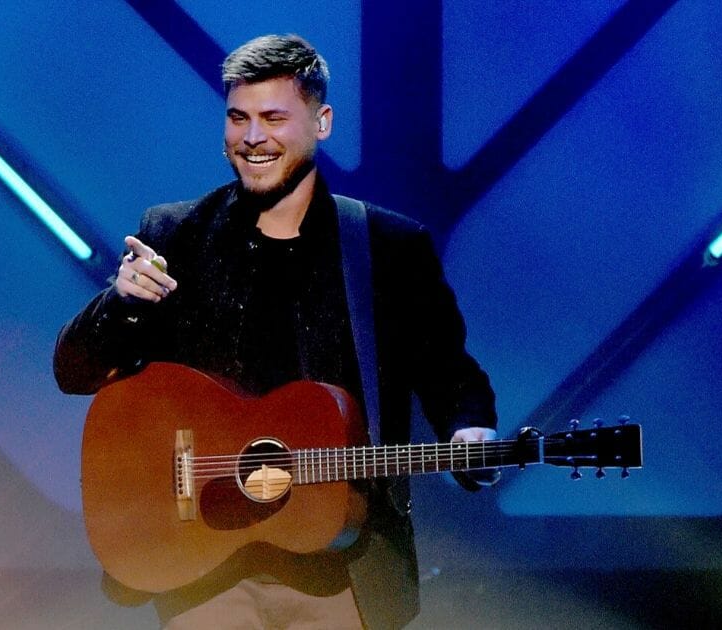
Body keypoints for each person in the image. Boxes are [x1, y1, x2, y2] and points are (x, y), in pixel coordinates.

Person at [54, 33, 498, 630]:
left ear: (322, 122)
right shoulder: (175, 234)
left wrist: (469, 426)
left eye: (273, 118)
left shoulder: (387, 247)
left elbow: (450, 372)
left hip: (342, 566)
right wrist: (119, 302)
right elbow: (74, 373)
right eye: (238, 118)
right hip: (202, 566)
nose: (253, 137)